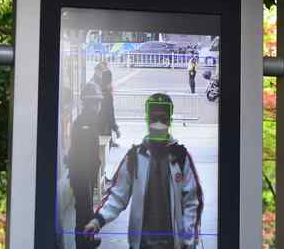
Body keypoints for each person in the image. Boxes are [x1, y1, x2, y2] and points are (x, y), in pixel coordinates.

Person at [84, 93, 203, 249]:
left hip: (173, 245)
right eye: (154, 118)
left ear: (170, 120)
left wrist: (188, 240)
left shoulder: (181, 158)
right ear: (147, 119)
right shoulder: (134, 157)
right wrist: (98, 220)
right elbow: (117, 195)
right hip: (141, 244)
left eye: (163, 118)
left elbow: (193, 201)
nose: (158, 123)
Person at [68, 82, 103, 249]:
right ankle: (82, 244)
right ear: (88, 103)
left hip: (85, 176)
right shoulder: (83, 124)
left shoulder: (88, 121)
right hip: (82, 176)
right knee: (83, 212)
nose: (98, 105)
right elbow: (82, 156)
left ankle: (88, 240)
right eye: (95, 102)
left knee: (86, 211)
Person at [97, 64, 121, 148]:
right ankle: (110, 144)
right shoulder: (107, 94)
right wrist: (116, 129)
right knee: (105, 149)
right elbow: (110, 113)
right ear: (109, 80)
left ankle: (110, 143)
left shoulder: (98, 90)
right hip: (105, 125)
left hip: (99, 124)